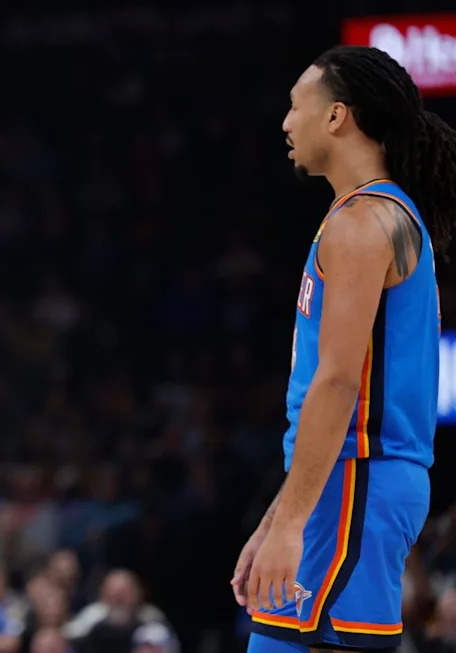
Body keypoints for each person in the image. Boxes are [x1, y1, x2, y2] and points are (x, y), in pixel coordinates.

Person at [231, 45, 456, 651]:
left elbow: (337, 382)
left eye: (295, 105)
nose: (286, 122)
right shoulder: (376, 215)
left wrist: (291, 524)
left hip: (359, 479)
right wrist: (280, 516)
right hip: (348, 482)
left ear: (336, 115)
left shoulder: (363, 223)